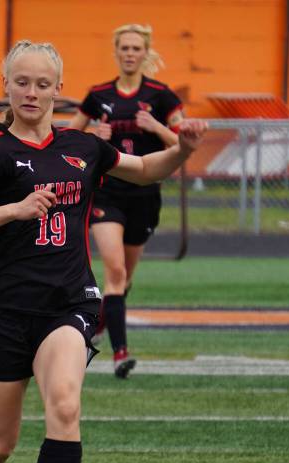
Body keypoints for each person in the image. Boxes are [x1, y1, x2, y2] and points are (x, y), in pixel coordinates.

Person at [0, 40, 205, 463]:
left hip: (67, 304)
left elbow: (147, 168)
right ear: (6, 86)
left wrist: (183, 150)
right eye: (22, 82)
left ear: (59, 89)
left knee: (64, 405)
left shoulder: (83, 147)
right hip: (2, 312)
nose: (32, 92)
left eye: (42, 83)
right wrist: (13, 209)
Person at [68, 24, 185, 378]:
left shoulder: (161, 96)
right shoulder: (98, 94)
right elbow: (69, 138)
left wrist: (156, 127)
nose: (130, 53)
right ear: (116, 51)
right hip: (106, 192)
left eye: (136, 48)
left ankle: (103, 320)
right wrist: (92, 134)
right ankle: (121, 354)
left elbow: (184, 141)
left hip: (145, 195)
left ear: (145, 52)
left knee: (124, 280)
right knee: (114, 273)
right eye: (124, 47)